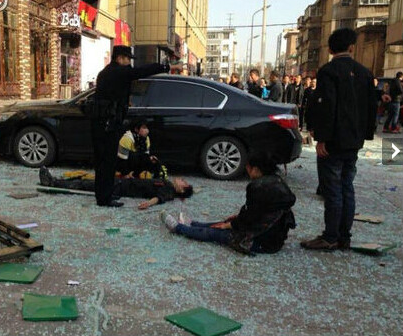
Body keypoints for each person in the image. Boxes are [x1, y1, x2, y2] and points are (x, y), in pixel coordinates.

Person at [301, 28, 376, 251]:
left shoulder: (329, 71)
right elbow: (371, 108)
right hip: (353, 142)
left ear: (331, 49)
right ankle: (344, 237)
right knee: (347, 187)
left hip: (333, 142)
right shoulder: (365, 73)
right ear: (352, 47)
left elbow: (326, 105)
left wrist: (321, 139)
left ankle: (330, 236)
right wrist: (365, 135)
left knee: (332, 189)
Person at [90, 46, 181, 208]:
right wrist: (166, 67)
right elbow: (140, 72)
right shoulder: (117, 72)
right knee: (108, 162)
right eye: (127, 59)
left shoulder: (106, 72)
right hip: (107, 124)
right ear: (119, 58)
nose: (128, 63)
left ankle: (103, 194)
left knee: (102, 162)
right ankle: (104, 198)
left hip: (102, 122)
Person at [160, 151, 296, 255]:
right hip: (275, 240)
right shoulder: (277, 181)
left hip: (259, 241)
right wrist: (234, 220)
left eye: (248, 168)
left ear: (255, 169)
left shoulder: (257, 186)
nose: (247, 171)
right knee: (223, 223)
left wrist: (231, 224)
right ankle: (192, 224)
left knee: (216, 233)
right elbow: (257, 212)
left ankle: (178, 228)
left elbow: (250, 217)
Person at [39, 167, 192, 210]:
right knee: (87, 180)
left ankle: (53, 183)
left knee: (87, 185)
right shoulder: (168, 184)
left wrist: (148, 204)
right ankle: (58, 181)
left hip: (120, 187)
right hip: (122, 182)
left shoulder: (169, 190)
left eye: (183, 182)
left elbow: (159, 199)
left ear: (182, 190)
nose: (181, 179)